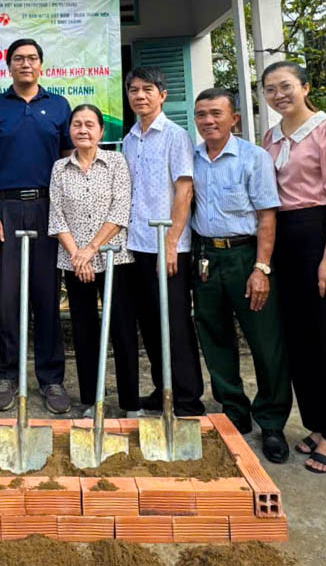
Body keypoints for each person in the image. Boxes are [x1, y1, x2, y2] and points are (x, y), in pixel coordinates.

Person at [260, 61, 326, 475]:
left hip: (322, 233)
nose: (279, 95)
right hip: (285, 238)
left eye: (286, 87)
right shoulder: (271, 136)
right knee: (300, 339)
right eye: (270, 90)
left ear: (305, 87)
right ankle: (319, 424)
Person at [189, 89, 290, 464]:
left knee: (266, 343)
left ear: (234, 119)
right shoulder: (192, 158)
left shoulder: (254, 157)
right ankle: (234, 411)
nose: (208, 121)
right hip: (205, 257)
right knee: (214, 338)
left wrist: (261, 268)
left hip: (246, 255)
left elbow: (267, 216)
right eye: (201, 115)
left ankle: (272, 421)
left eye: (216, 113)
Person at [0, 38, 73, 414]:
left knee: (48, 296)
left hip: (49, 207)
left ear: (42, 65)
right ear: (8, 66)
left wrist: (66, 214)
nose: (26, 64)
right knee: (8, 299)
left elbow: (69, 164)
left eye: (32, 58)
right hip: (6, 207)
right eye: (19, 59)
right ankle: (8, 375)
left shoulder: (59, 106)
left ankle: (51, 380)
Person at [119, 66, 205, 417]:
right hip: (136, 244)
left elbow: (184, 190)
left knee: (175, 323)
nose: (140, 95)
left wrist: (171, 243)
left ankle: (187, 398)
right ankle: (162, 387)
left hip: (167, 247)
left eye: (147, 89)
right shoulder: (129, 139)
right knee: (150, 324)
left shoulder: (175, 136)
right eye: (134, 90)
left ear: (162, 94)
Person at [47, 103, 133, 417]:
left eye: (90, 124)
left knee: (122, 330)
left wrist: (91, 249)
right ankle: (90, 401)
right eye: (77, 125)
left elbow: (121, 210)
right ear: (69, 130)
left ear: (101, 130)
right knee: (84, 333)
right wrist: (76, 255)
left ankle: (129, 403)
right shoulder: (59, 168)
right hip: (74, 262)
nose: (83, 130)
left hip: (114, 258)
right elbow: (56, 217)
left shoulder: (116, 162)